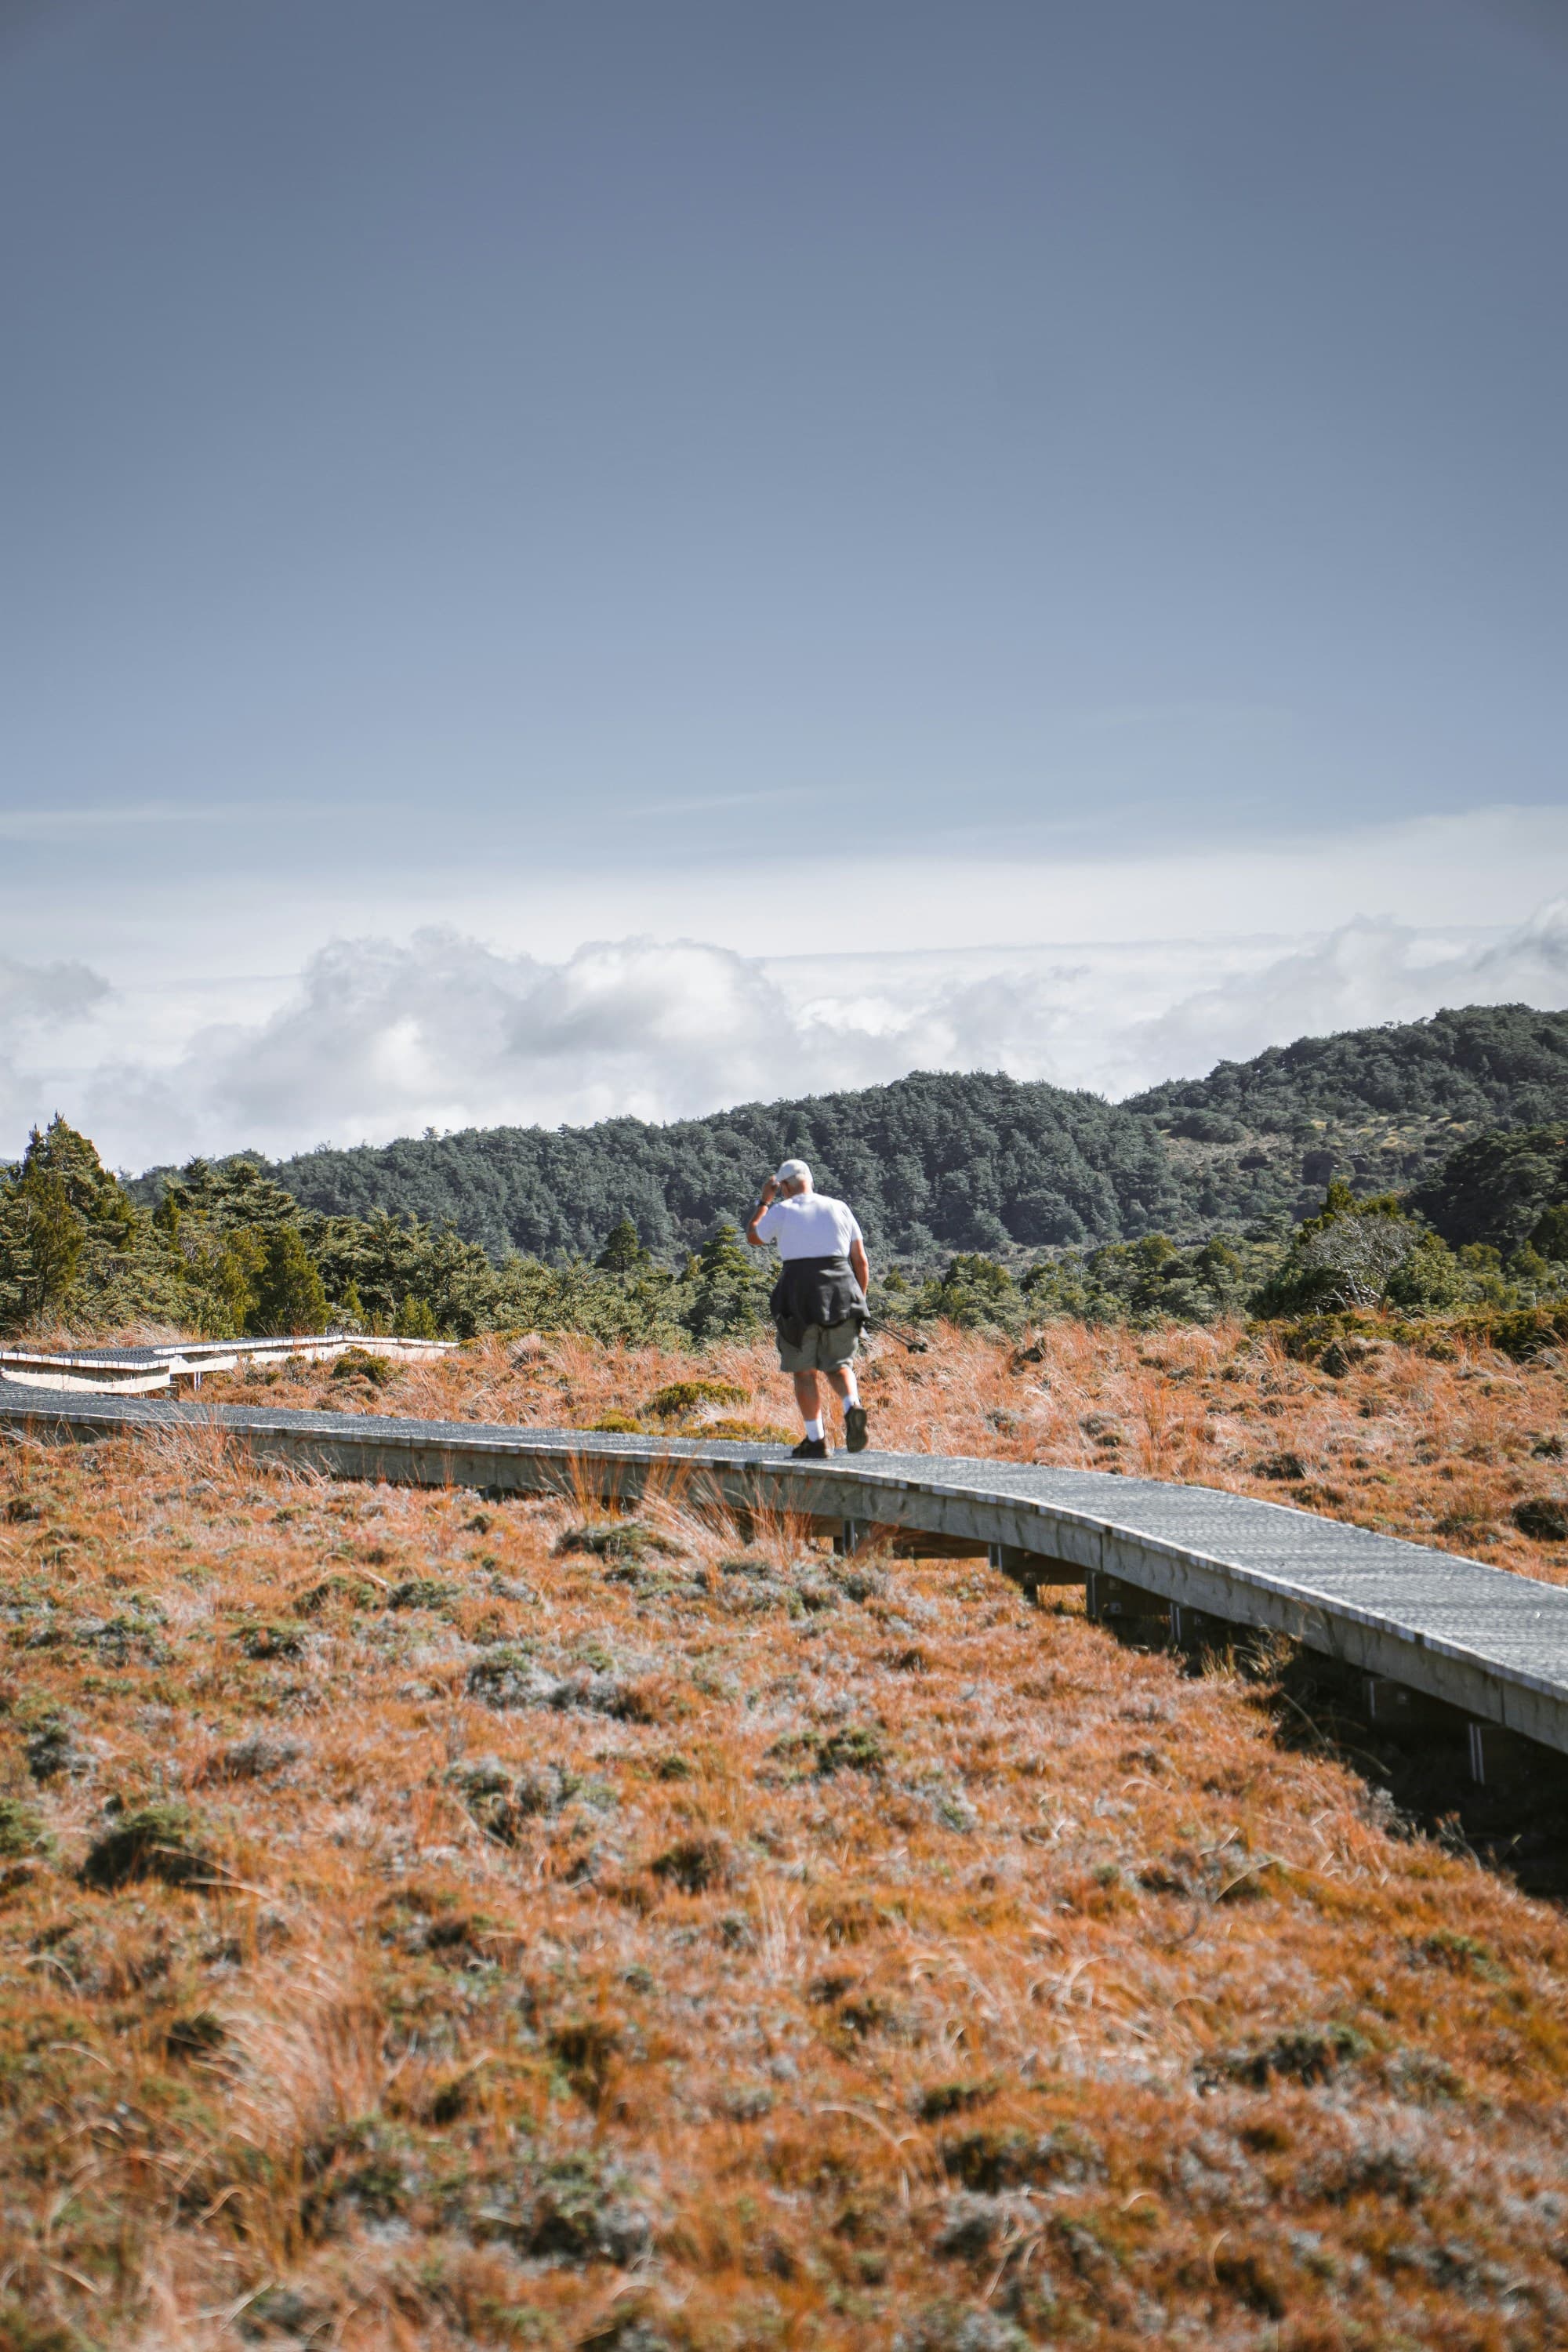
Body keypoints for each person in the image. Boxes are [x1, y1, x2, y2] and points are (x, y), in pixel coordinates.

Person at [746, 1159, 870, 1457]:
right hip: (842, 1292)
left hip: (798, 1298)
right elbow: (860, 1260)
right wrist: (859, 1303)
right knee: (840, 1365)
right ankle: (852, 1405)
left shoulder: (782, 1209)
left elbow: (753, 1236)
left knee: (804, 1372)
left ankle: (816, 1441)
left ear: (785, 1187)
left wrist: (765, 1200)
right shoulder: (839, 1207)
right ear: (810, 1181)